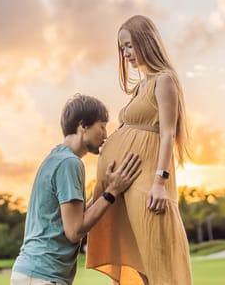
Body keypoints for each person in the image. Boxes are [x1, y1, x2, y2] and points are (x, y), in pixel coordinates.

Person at [86, 15, 193, 284]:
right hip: (126, 187)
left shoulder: (164, 80)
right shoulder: (140, 87)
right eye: (122, 48)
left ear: (146, 42)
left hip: (147, 185)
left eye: (130, 45)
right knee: (138, 262)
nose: (126, 53)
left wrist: (160, 181)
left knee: (156, 261)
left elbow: (168, 132)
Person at [11, 94, 142, 285]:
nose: (105, 135)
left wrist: (108, 188)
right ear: (83, 125)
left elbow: (73, 216)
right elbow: (74, 230)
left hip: (32, 273)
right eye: (102, 126)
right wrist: (112, 191)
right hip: (43, 276)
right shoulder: (69, 163)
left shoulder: (55, 158)